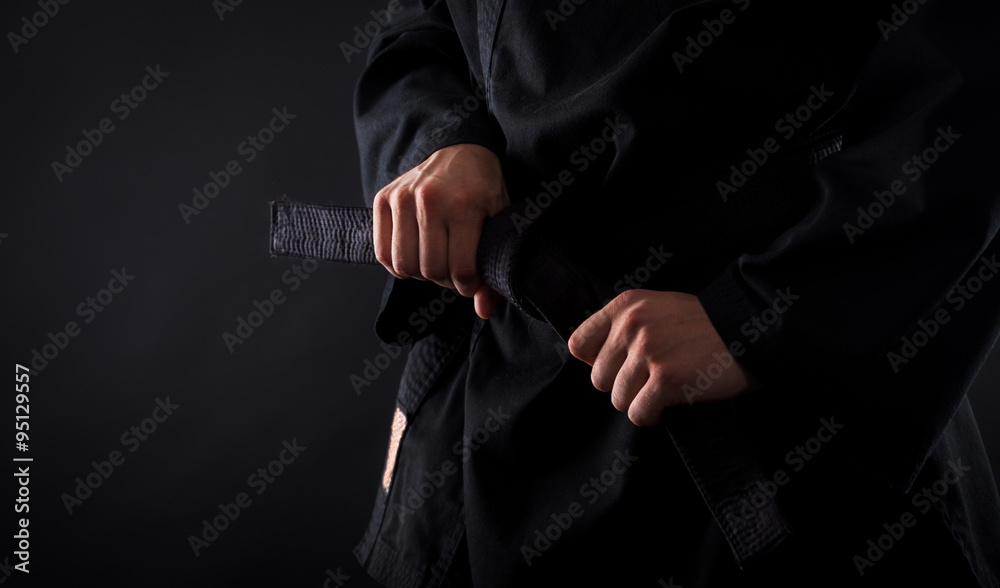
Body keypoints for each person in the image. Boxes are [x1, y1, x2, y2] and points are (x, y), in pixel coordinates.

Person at [349, 1, 1000, 585]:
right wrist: (439, 140)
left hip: (754, 392)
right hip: (490, 372)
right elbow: (420, 19)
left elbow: (968, 71)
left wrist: (758, 316)